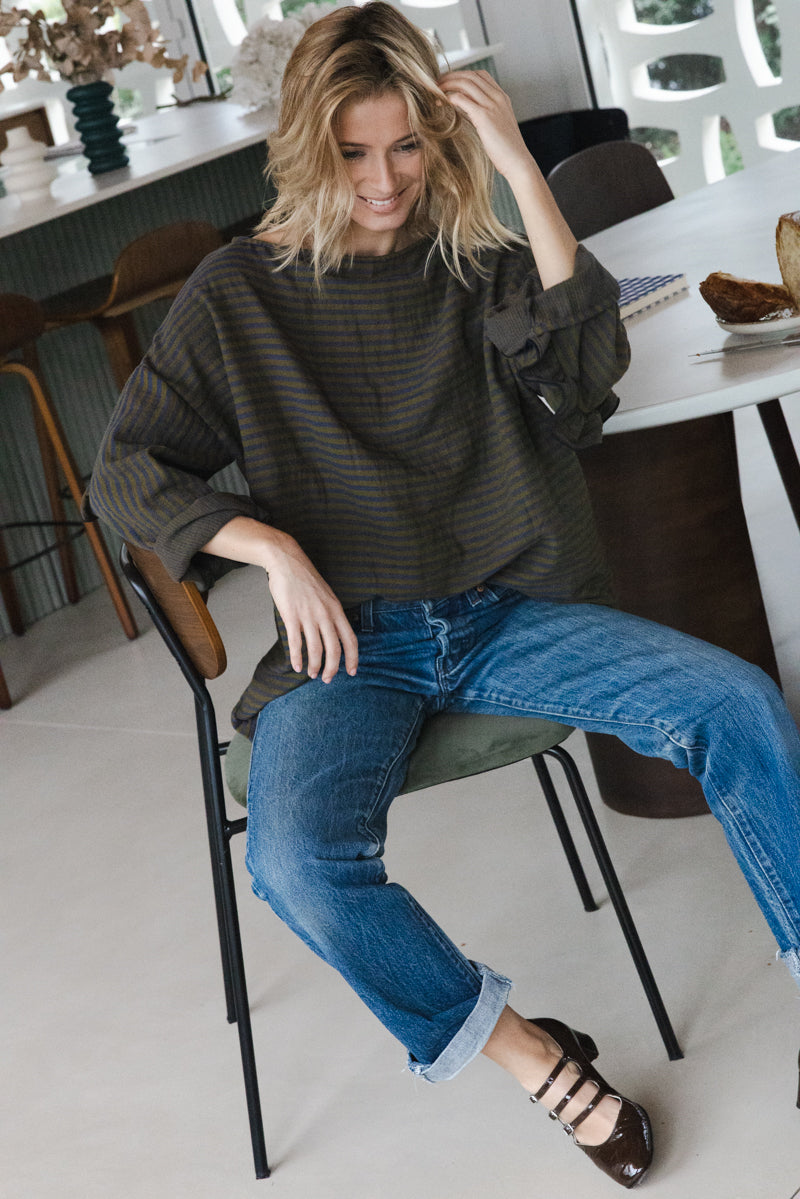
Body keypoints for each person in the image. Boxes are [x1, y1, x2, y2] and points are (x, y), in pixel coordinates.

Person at [86, 3, 800, 1188]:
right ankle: (535, 1058)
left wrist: (516, 165)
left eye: (407, 145)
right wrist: (269, 547)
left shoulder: (474, 260)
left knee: (736, 703)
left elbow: (585, 383)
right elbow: (126, 469)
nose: (383, 182)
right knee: (298, 863)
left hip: (503, 608)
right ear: (306, 147)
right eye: (352, 153)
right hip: (346, 642)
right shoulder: (238, 293)